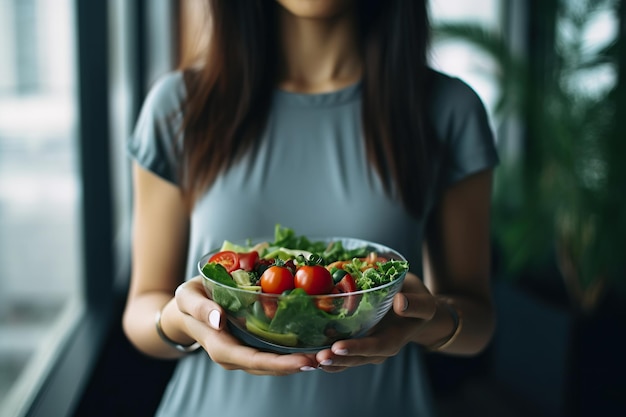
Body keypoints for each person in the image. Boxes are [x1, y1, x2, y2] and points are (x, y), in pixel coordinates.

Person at [122, 0, 498, 416]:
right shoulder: (177, 106)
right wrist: (179, 320)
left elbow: (477, 323)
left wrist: (424, 318)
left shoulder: (449, 109)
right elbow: (142, 311)